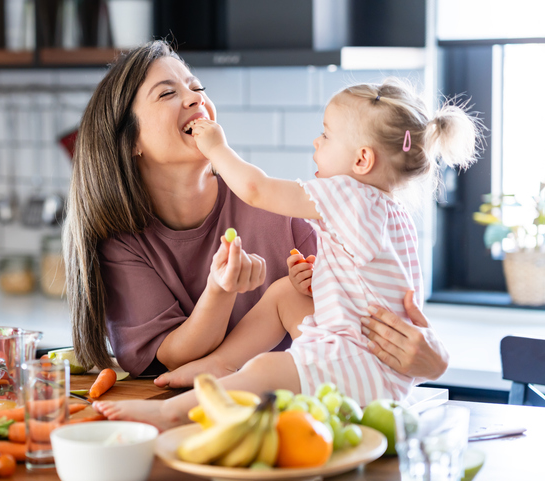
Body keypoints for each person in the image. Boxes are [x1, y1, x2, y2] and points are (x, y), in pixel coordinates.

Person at [63, 40, 449, 402]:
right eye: (167, 92)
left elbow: (356, 318)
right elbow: (171, 356)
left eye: (197, 87)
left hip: (299, 410)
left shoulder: (284, 210)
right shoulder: (123, 244)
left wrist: (432, 356)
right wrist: (220, 290)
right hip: (200, 411)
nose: (195, 97)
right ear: (130, 141)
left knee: (289, 291)